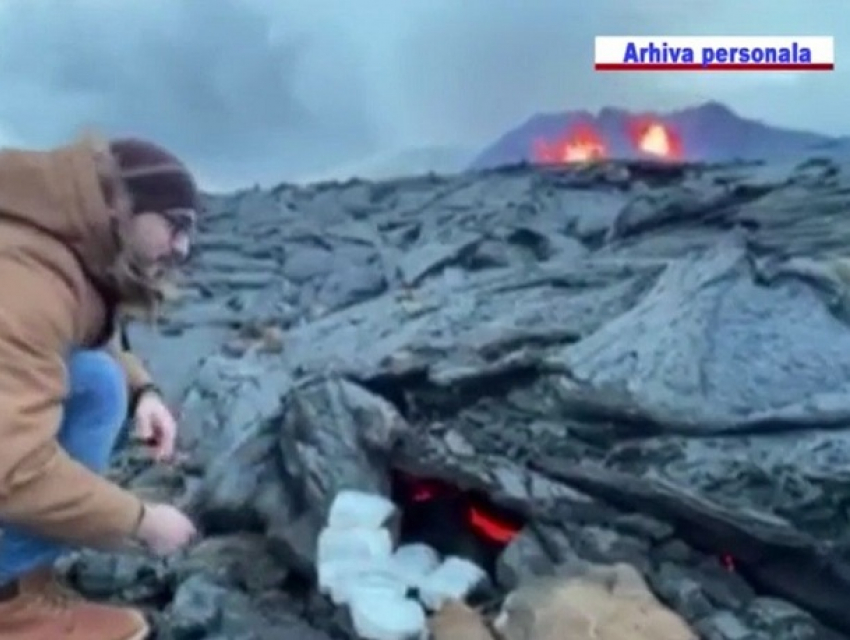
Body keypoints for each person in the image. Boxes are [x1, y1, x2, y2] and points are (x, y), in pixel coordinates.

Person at [0, 133, 201, 639]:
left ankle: (23, 579)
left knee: (97, 380)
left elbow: (89, 337)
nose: (183, 249)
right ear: (120, 205)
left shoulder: (57, 243)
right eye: (175, 225)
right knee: (92, 389)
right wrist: (139, 521)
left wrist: (144, 393)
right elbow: (12, 467)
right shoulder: (23, 279)